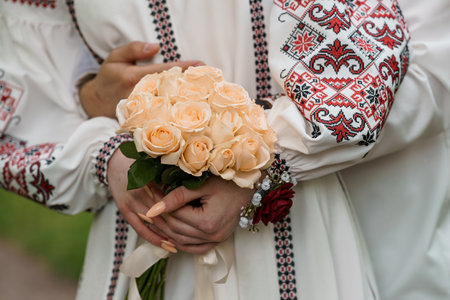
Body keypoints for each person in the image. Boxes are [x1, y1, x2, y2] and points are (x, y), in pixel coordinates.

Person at [0, 1, 448, 300]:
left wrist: (258, 159)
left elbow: (431, 62)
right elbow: (29, 76)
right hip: (148, 232)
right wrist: (97, 119)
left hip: (338, 227)